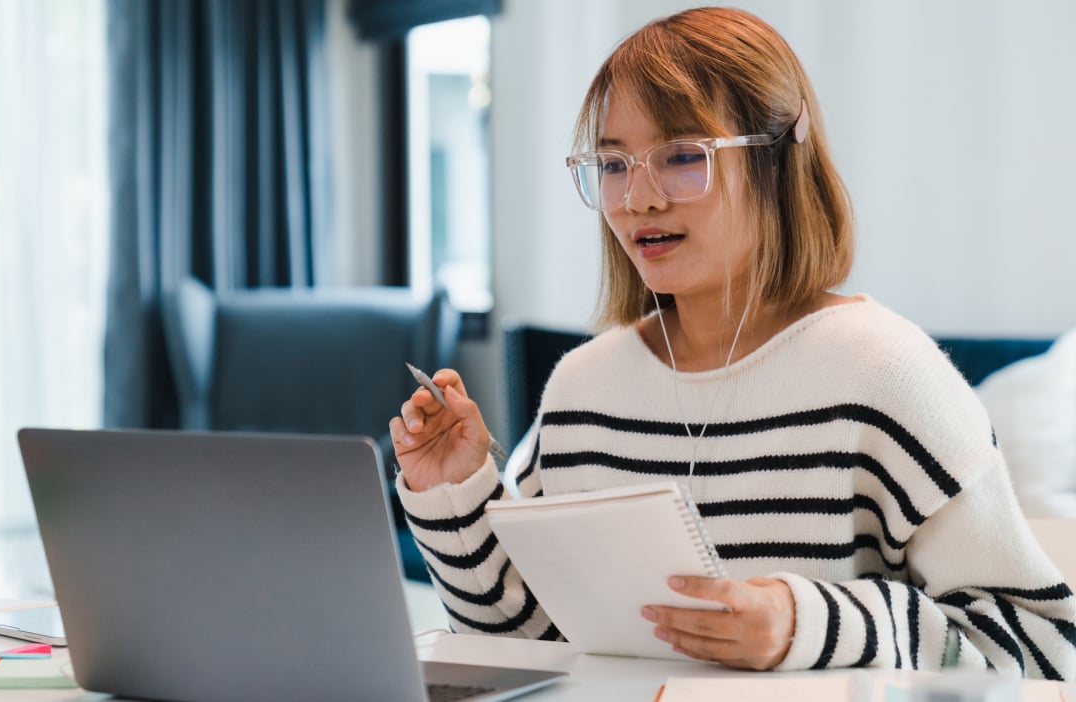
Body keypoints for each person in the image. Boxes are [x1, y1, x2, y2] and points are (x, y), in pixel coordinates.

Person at [389, 5, 1076, 678]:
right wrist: (452, 495)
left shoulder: (886, 374)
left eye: (683, 156)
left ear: (779, 163)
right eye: (614, 163)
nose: (637, 199)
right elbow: (533, 642)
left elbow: (1042, 646)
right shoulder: (581, 388)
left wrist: (805, 623)